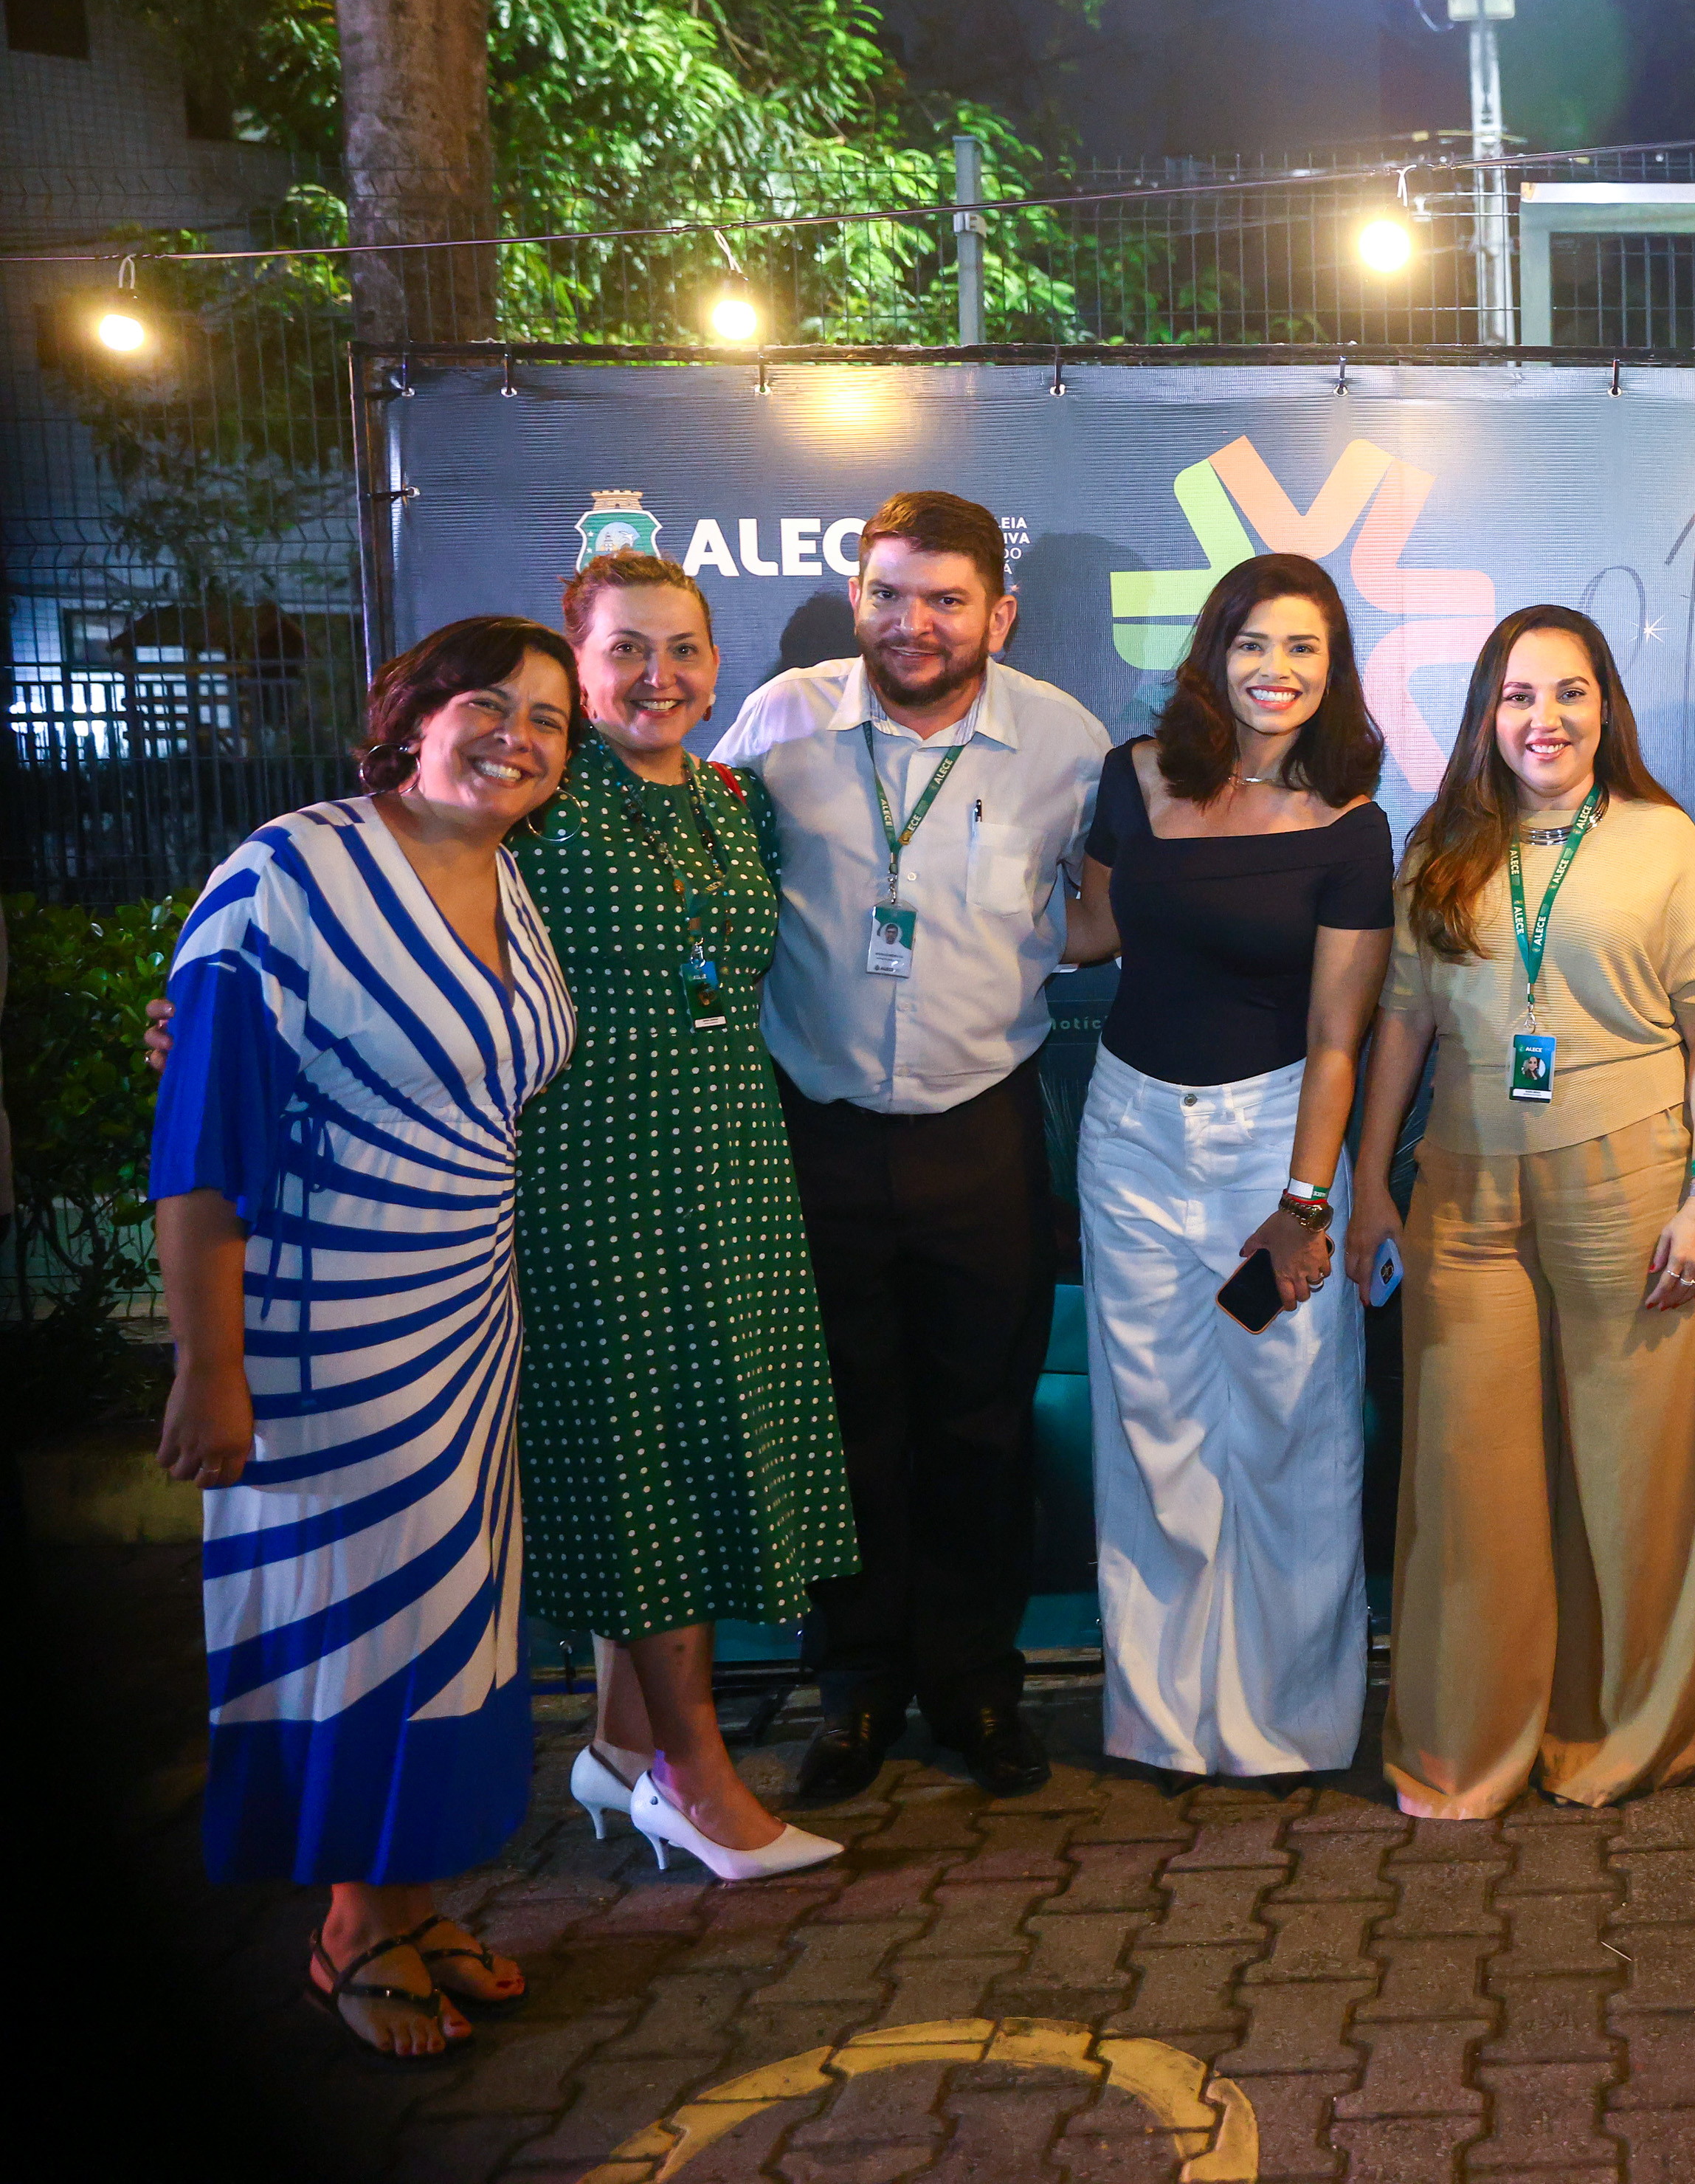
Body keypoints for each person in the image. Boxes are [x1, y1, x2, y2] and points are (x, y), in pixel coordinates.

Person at [150, 618, 579, 2059]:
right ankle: (349, 1927)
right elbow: (201, 1135)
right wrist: (209, 1364)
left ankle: (410, 1896)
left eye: (548, 719)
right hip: (323, 1332)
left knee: (451, 1626)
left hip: (463, 1318)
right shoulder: (290, 869)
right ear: (412, 713)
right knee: (355, 1627)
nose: (518, 735)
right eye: (489, 703)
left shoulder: (506, 878)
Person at [711, 489, 1112, 1803]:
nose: (914, 622)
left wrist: (1029, 948)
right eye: (889, 594)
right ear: (857, 599)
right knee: (846, 1422)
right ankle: (858, 1684)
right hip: (812, 1127)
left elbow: (1103, 913)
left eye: (946, 599)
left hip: (982, 1126)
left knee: (982, 1422)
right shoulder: (780, 722)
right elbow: (698, 877)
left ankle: (977, 1683)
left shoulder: (1064, 742)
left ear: (1001, 612)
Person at [1349, 605, 1695, 1819]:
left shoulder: (1663, 840)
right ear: (1488, 712)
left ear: (1605, 707)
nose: (1546, 719)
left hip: (1635, 1181)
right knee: (1468, 1481)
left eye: (1571, 693)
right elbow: (1402, 1023)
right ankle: (1467, 1745)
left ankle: (1628, 1732)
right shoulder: (1440, 846)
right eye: (1521, 695)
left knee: (1636, 1476)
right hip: (1465, 1190)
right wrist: (1369, 1182)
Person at [525, 551, 854, 1879]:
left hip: (730, 1161)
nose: (657, 676)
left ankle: (618, 1743)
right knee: (637, 1456)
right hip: (594, 1168)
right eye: (626, 650)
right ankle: (694, 1776)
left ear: (717, 669)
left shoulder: (735, 800)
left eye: (682, 650)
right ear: (577, 666)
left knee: (695, 1443)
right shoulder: (533, 799)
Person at [1058, 554, 1394, 1781]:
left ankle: (1289, 1724)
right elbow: (1093, 928)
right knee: (1151, 1425)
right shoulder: (1133, 777)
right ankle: (1160, 1720)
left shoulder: (1352, 826)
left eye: (1304, 648)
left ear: (1333, 669)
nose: (1277, 670)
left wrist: (1306, 1203)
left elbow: (1339, 1036)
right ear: (1215, 653)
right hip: (1131, 1135)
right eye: (1254, 643)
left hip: (1273, 1144)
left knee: (1289, 1424)